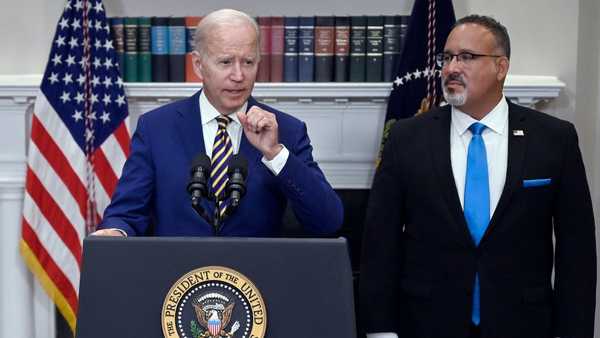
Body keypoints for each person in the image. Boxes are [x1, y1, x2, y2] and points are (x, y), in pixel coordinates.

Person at [360, 15, 596, 338]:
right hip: (426, 325)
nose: (451, 68)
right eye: (447, 58)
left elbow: (577, 252)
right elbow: (380, 244)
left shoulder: (554, 139)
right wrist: (380, 331)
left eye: (466, 57)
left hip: (523, 326)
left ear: (501, 67)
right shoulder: (406, 138)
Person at [93, 9, 343, 237]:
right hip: (177, 280)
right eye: (225, 62)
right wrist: (115, 232)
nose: (238, 76)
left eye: (248, 62)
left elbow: (328, 221)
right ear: (199, 65)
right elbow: (126, 214)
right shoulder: (156, 128)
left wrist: (276, 154)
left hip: (255, 281)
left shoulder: (287, 131)